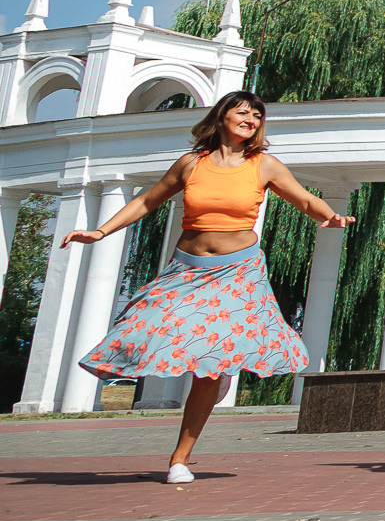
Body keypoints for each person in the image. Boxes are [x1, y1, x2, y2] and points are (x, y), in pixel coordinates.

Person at [67, 89, 353, 484]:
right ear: (222, 117)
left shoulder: (263, 165)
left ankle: (179, 459)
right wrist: (99, 231)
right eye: (243, 112)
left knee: (208, 371)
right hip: (186, 270)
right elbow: (147, 201)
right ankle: (213, 371)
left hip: (238, 273)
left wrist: (331, 216)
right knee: (145, 326)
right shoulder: (190, 164)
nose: (251, 119)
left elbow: (304, 200)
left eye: (257, 115)